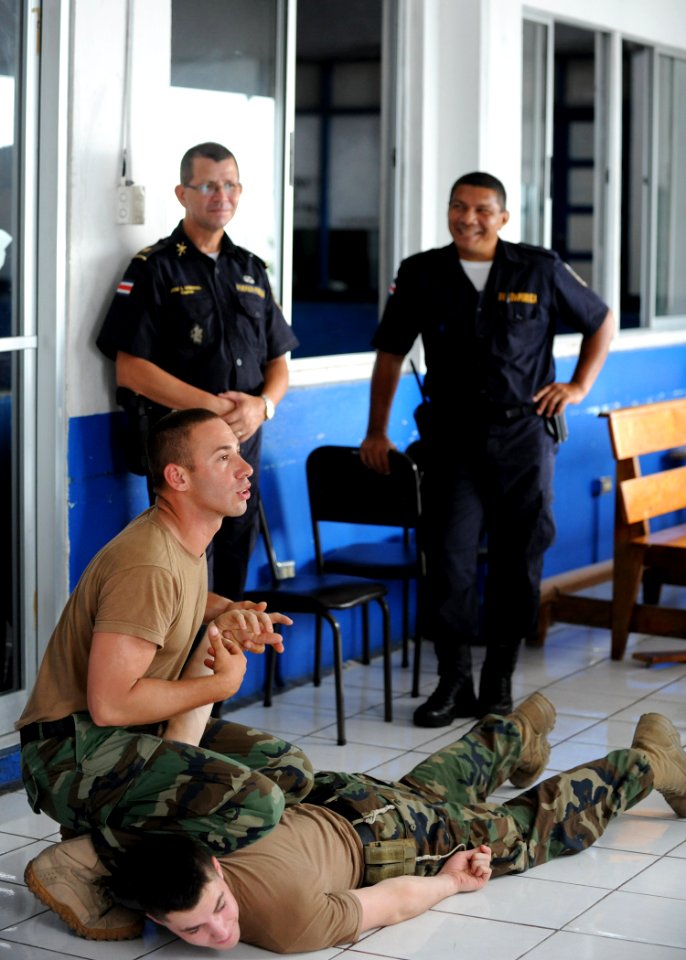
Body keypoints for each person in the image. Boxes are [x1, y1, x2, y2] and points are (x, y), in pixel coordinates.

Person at [29, 695, 686, 953]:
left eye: (219, 908)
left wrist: (453, 883)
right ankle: (517, 729)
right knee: (432, 790)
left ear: (217, 862)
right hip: (346, 797)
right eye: (192, 930)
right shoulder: (180, 840)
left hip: (391, 840)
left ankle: (649, 762)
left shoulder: (285, 925)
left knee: (527, 830)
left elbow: (392, 900)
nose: (223, 932)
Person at [16, 408, 314, 940]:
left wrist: (229, 609)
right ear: (178, 478)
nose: (245, 469)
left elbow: (184, 601)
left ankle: (113, 840)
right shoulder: (148, 562)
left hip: (118, 737)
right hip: (71, 753)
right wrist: (219, 687)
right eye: (224, 458)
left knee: (289, 770)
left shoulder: (183, 542)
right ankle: (94, 864)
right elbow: (110, 703)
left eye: (240, 455)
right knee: (257, 803)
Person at [360, 172, 615, 726]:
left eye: (481, 209)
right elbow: (389, 353)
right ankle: (452, 682)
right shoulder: (422, 272)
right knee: (448, 560)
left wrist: (577, 386)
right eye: (458, 207)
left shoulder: (539, 268)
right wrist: (376, 430)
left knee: (518, 558)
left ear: (502, 217)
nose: (467, 218)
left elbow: (601, 320)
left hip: (524, 436)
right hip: (450, 442)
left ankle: (498, 679)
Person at [96, 141, 299, 602]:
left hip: (243, 448)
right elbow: (131, 371)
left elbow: (279, 363)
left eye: (229, 185)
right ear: (182, 193)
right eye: (207, 185)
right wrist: (216, 408)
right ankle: (182, 671)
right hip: (184, 455)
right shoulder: (155, 267)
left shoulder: (250, 269)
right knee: (182, 572)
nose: (220, 195)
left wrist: (262, 406)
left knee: (232, 567)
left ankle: (223, 670)